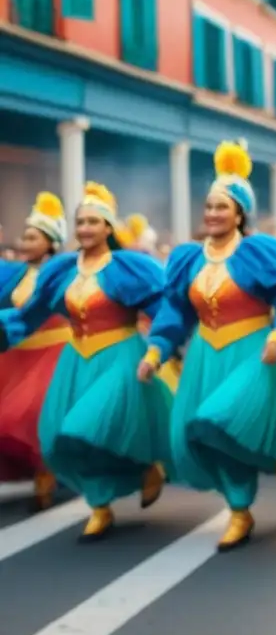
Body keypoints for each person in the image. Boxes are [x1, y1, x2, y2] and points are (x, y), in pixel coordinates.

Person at [138, 141, 276, 552]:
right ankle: (243, 506)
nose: (213, 214)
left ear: (240, 212)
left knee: (222, 421)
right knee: (199, 431)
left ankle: (263, 481)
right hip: (205, 355)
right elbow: (174, 314)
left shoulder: (259, 253)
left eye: (222, 207)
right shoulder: (187, 259)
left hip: (253, 353)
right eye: (209, 206)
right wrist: (155, 351)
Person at [0, 182, 173, 540]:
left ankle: (143, 467)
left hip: (119, 358)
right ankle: (100, 506)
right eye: (81, 222)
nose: (86, 229)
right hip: (76, 361)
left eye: (94, 222)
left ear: (108, 227)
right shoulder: (61, 270)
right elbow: (29, 315)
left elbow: (164, 313)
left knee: (87, 427)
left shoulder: (128, 268)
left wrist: (160, 348)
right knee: (60, 441)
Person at [0, 192, 70, 509]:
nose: (25, 242)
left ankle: (46, 474)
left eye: (33, 237)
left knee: (32, 416)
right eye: (25, 237)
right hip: (17, 356)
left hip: (52, 356)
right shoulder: (14, 273)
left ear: (51, 243)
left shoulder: (65, 272)